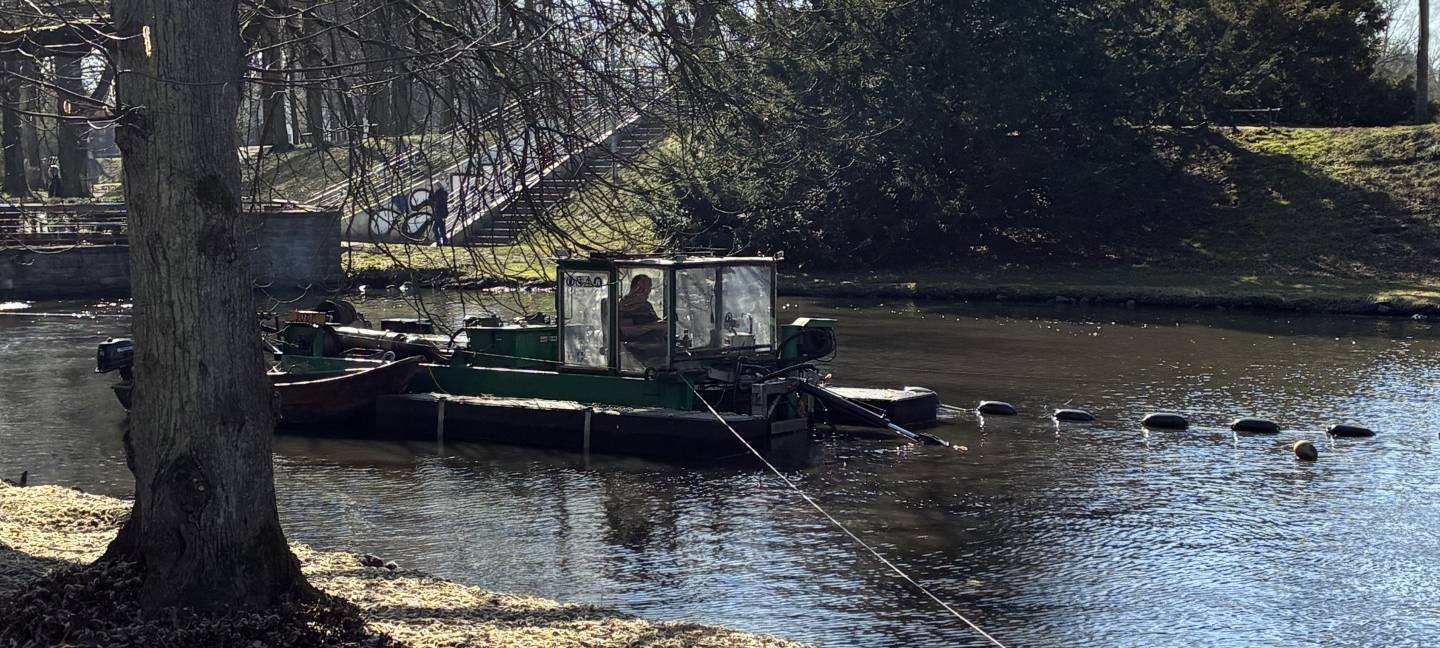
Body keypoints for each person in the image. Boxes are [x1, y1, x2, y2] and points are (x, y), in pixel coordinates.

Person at [618, 274, 666, 367]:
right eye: (644, 288)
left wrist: (662, 325)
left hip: (656, 345)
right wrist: (652, 327)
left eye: (649, 288)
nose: (647, 291)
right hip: (639, 351)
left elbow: (654, 321)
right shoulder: (624, 307)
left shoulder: (646, 305)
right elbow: (626, 330)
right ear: (636, 288)